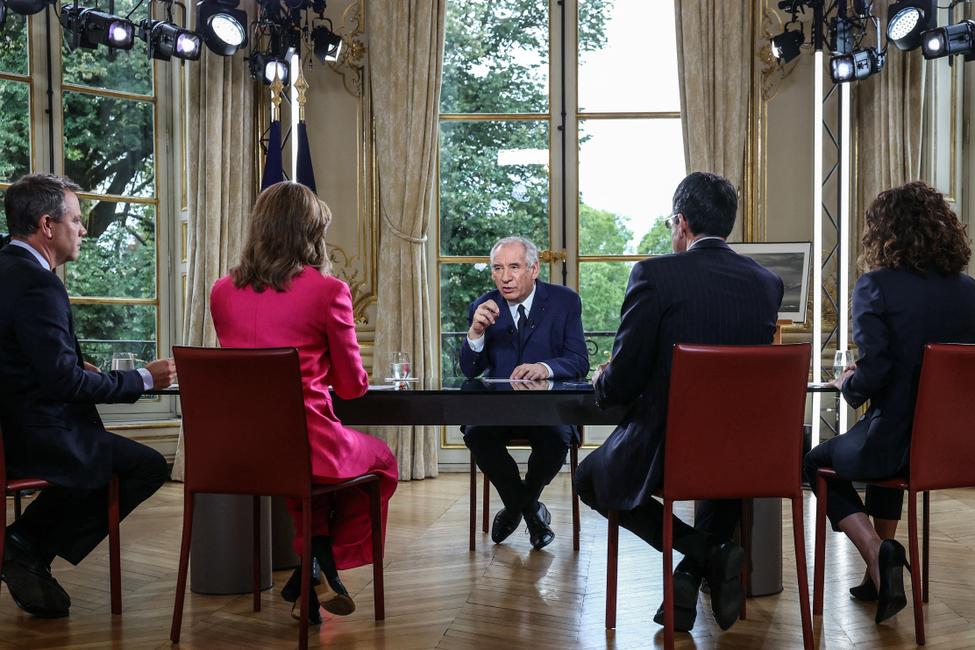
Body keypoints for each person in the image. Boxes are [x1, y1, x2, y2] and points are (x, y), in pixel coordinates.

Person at [574, 172, 784, 633]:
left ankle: (708, 554)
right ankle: (690, 581)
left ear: (682, 223)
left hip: (670, 450)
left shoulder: (654, 274)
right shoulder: (767, 284)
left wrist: (603, 380)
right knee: (725, 477)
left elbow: (625, 381)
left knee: (588, 480)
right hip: (743, 451)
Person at [210, 181, 398, 625]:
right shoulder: (327, 290)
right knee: (382, 462)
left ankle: (308, 575)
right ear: (311, 233)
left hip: (239, 451)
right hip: (307, 444)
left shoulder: (221, 290)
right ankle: (320, 564)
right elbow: (352, 389)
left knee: (307, 484)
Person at [0, 173, 176, 618]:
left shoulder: (6, 268)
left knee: (113, 458)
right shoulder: (39, 283)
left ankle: (25, 545)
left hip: (9, 430)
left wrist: (72, 365)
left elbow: (23, 359)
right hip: (38, 437)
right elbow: (64, 385)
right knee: (147, 466)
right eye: (76, 220)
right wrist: (143, 379)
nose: (83, 229)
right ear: (47, 225)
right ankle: (24, 543)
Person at [803, 181, 975, 624]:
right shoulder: (970, 292)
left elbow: (876, 371)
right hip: (952, 451)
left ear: (884, 232)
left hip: (892, 444)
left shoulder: (875, 286)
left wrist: (848, 385)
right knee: (883, 461)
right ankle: (877, 577)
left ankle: (878, 553)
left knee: (813, 461)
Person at [460, 236, 589, 550]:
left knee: (557, 439)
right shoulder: (484, 305)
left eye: (514, 267)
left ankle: (516, 507)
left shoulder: (565, 302)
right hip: (499, 411)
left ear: (534, 269)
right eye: (498, 268)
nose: (505, 277)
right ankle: (531, 511)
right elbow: (469, 371)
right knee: (476, 434)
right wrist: (475, 333)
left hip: (547, 410)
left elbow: (579, 361)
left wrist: (545, 367)